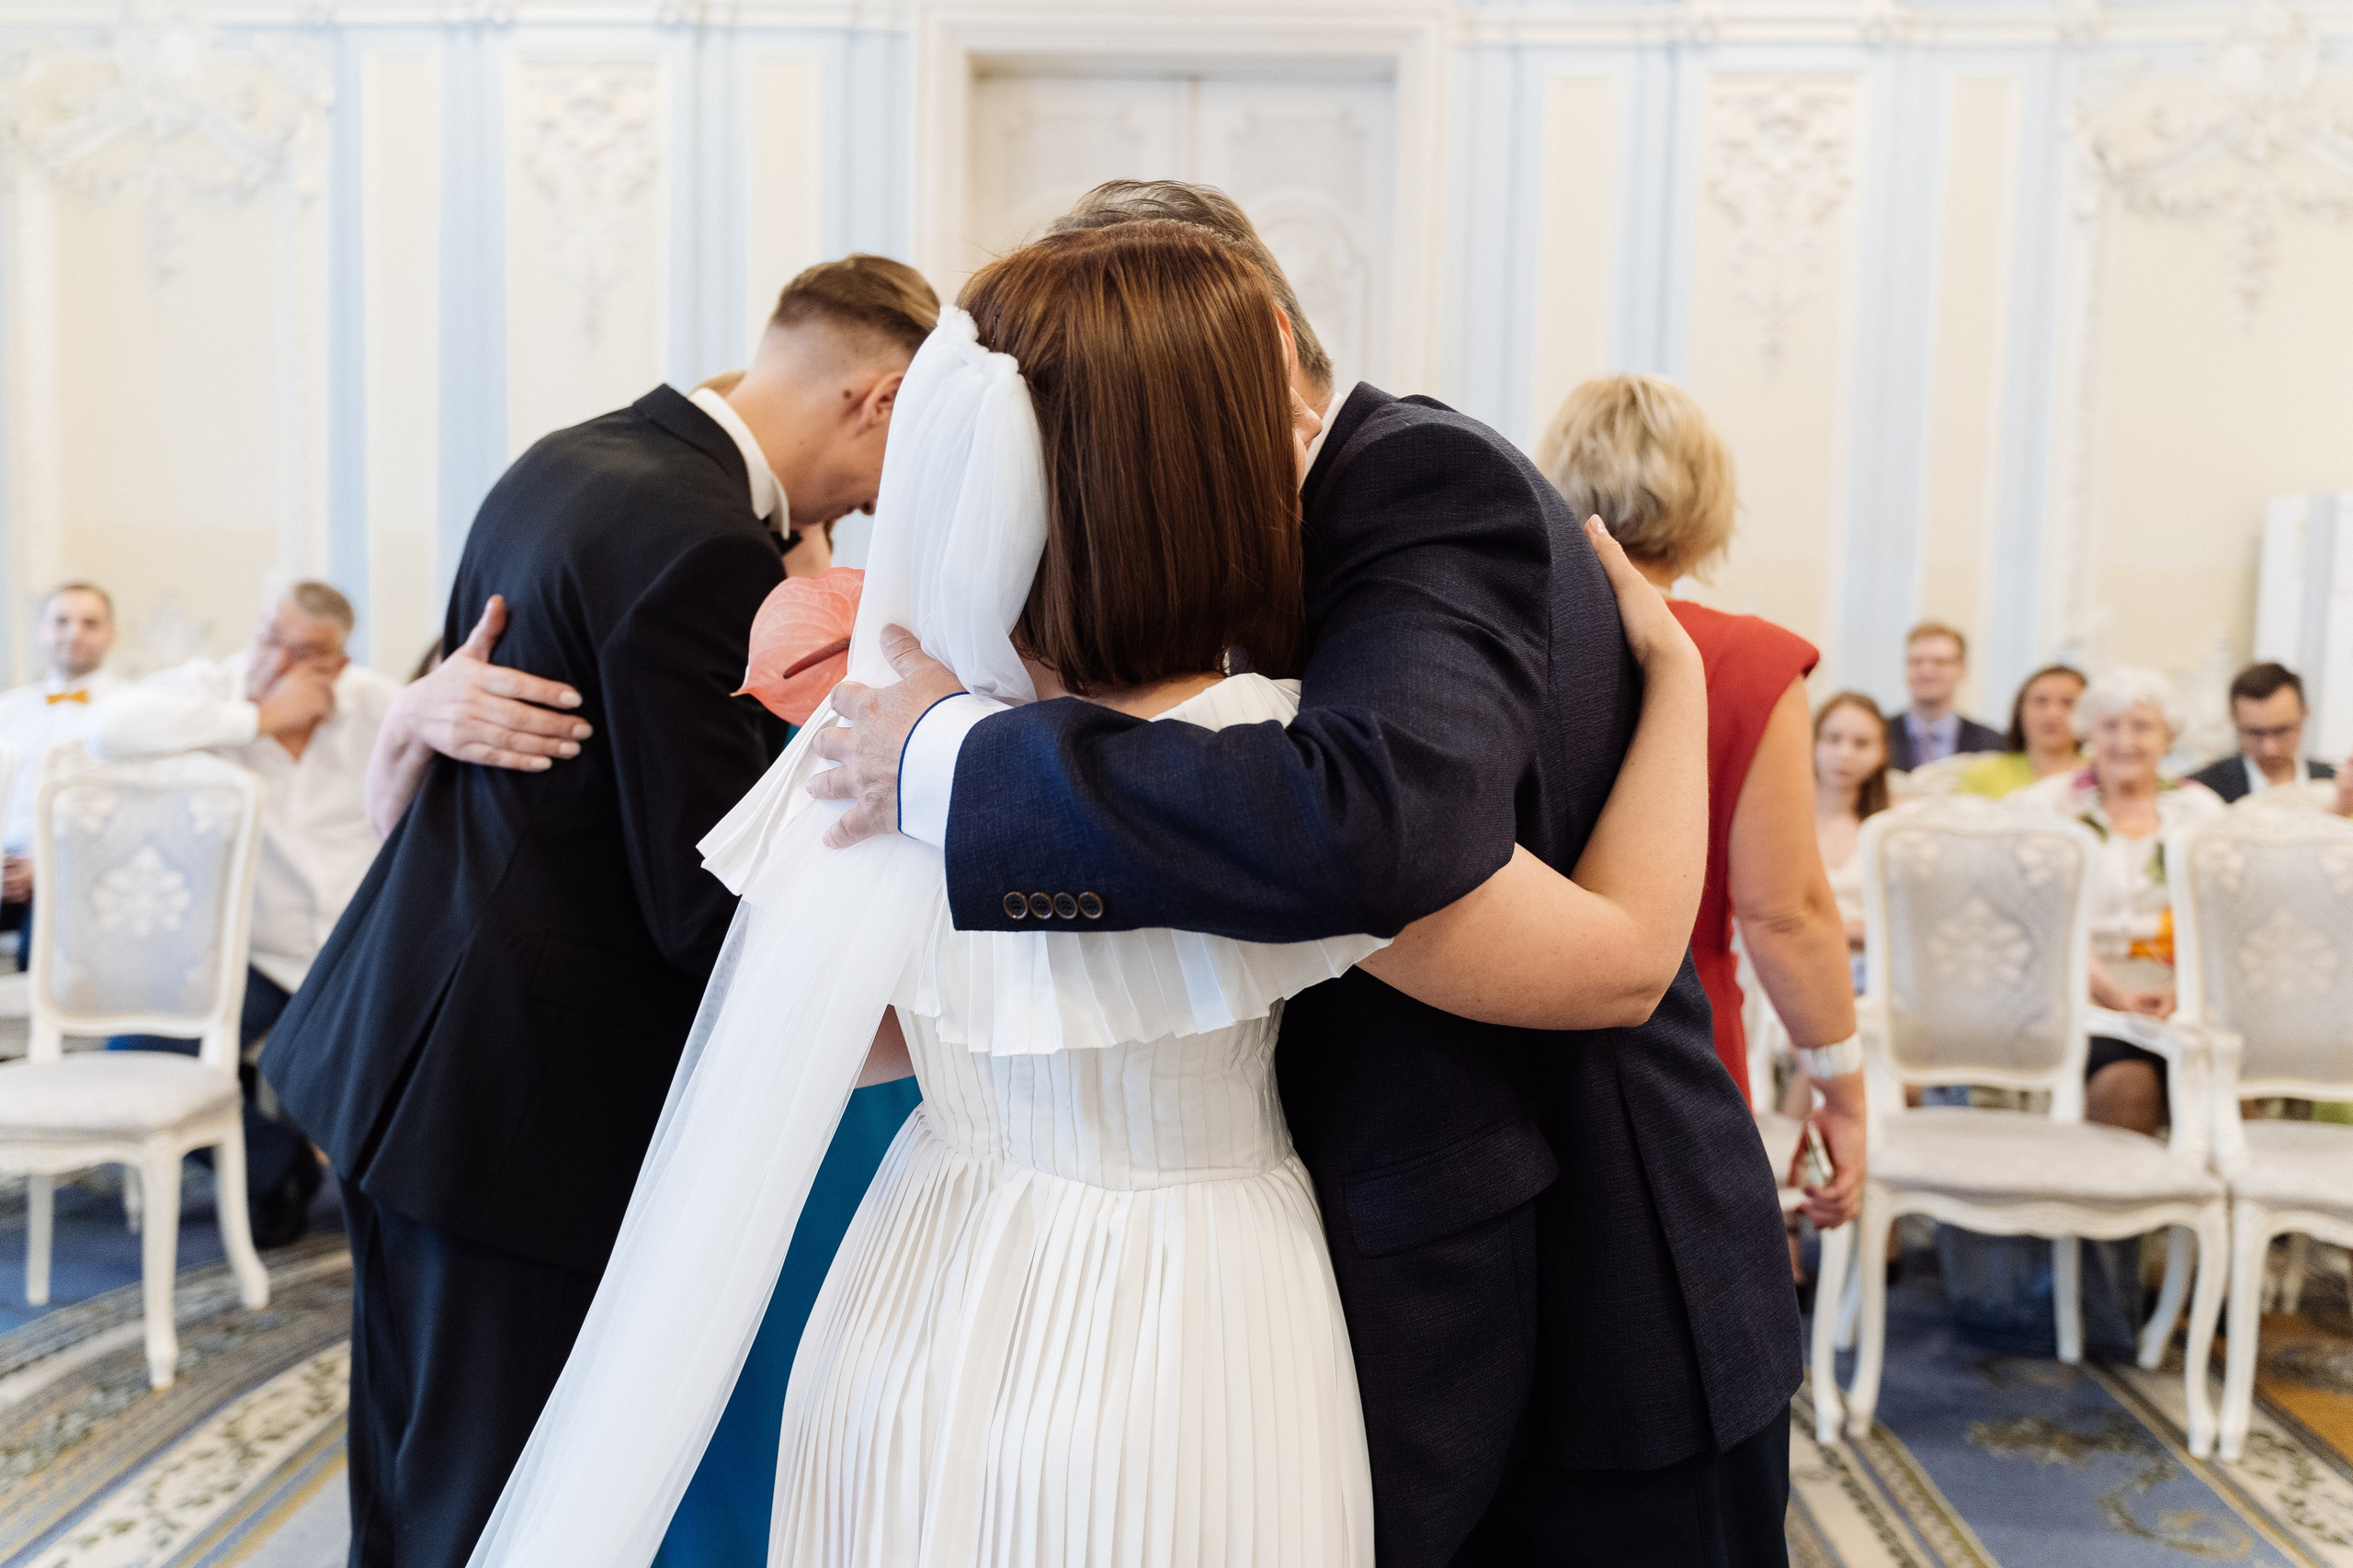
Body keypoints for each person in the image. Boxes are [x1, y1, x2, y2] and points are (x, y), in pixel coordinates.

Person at [470, 220, 1711, 1568]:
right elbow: (1618, 960)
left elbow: (848, 1040)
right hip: (1180, 1326)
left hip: (910, 1300)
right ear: (1215, 473)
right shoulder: (1269, 772)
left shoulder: (882, 736)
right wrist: (1683, 690)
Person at [801, 186, 1799, 1568]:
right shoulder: (1105, 666)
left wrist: (951, 767)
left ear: (1256, 355)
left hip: (1586, 1273)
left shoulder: (1415, 482)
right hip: (1238, 1289)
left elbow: (1384, 831)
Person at [260, 253, 938, 1567]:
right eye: (900, 456)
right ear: (881, 396)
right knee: (497, 1490)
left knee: (409, 1469)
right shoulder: (698, 545)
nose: (872, 510)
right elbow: (702, 901)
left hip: (414, 1054)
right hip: (519, 1103)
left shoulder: (570, 460)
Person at [1540, 373, 1866, 1308]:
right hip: (1677, 1045)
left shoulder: (1498, 640)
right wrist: (1838, 1090)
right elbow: (1786, 912)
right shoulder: (1748, 659)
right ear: (1706, 503)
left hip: (1506, 1037)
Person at [86, 582, 394, 1245]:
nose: (277, 662)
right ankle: (276, 1163)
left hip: (355, 956)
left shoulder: (374, 703)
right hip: (250, 955)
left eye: (305, 652)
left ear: (339, 661)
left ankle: (391, 1210)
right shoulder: (213, 690)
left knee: (403, 1069)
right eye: (269, 639)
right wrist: (254, 720)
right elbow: (107, 731)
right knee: (141, 1055)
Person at [2019, 667, 2224, 1134]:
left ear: (2168, 739)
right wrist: (2111, 991)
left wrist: (2182, 990)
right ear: (2090, 734)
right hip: (2079, 985)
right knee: (2130, 1085)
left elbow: (2222, 919)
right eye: (2110, 726)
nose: (2124, 741)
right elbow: (2039, 917)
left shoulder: (2202, 812)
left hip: (2182, 989)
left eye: (2141, 726)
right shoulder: (2046, 806)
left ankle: (2204, 1206)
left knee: (2218, 1083)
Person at [0, 582, 126, 967]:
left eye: (90, 623)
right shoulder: (9, 709)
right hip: (7, 864)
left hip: (82, 874)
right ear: (43, 630)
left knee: (39, 951)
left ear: (110, 634)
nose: (74, 632)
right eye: (61, 621)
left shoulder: (131, 712)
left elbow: (128, 809)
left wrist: (49, 864)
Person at [1813, 691, 1892, 968]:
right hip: (1790, 962)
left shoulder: (1895, 825)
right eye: (1833, 739)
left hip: (1873, 968)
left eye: (1861, 743)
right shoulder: (1775, 819)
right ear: (1813, 743)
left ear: (1882, 752)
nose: (1844, 754)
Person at [2188, 662, 2338, 803]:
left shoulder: (2336, 787)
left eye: (2281, 731)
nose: (2269, 749)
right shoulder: (2201, 792)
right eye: (2255, 733)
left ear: (2304, 714)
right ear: (2233, 719)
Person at [1884, 620, 2004, 771]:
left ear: (1962, 669)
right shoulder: (1875, 736)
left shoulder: (1994, 745)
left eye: (1940, 662)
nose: (1926, 671)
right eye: (1916, 662)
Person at [1959, 663, 2086, 798]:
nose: (2052, 714)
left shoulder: (2102, 773)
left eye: (2068, 703)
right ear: (2020, 711)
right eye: (2041, 701)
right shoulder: (1982, 774)